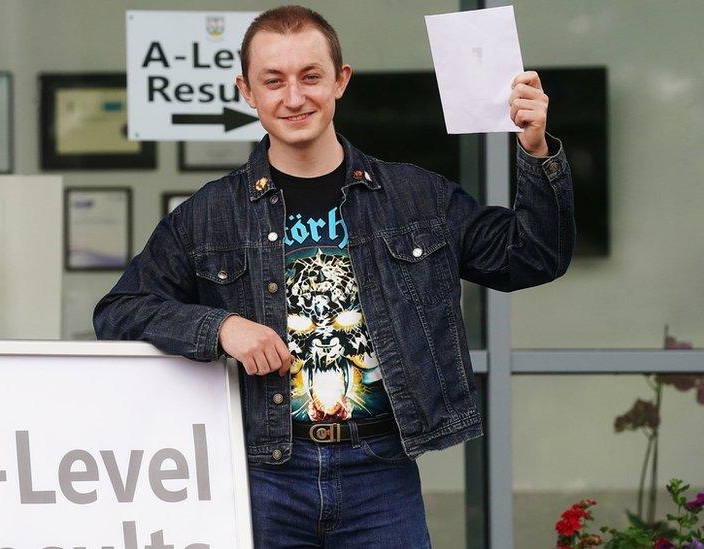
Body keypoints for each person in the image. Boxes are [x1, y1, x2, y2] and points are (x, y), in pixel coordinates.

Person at [95, 5, 574, 547]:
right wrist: (221, 327)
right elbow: (119, 312)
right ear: (247, 92)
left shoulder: (416, 198)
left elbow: (532, 256)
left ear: (341, 81)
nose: (294, 97)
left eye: (311, 76)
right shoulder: (208, 215)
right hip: (262, 475)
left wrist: (535, 150)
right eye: (273, 81)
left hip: (381, 473)